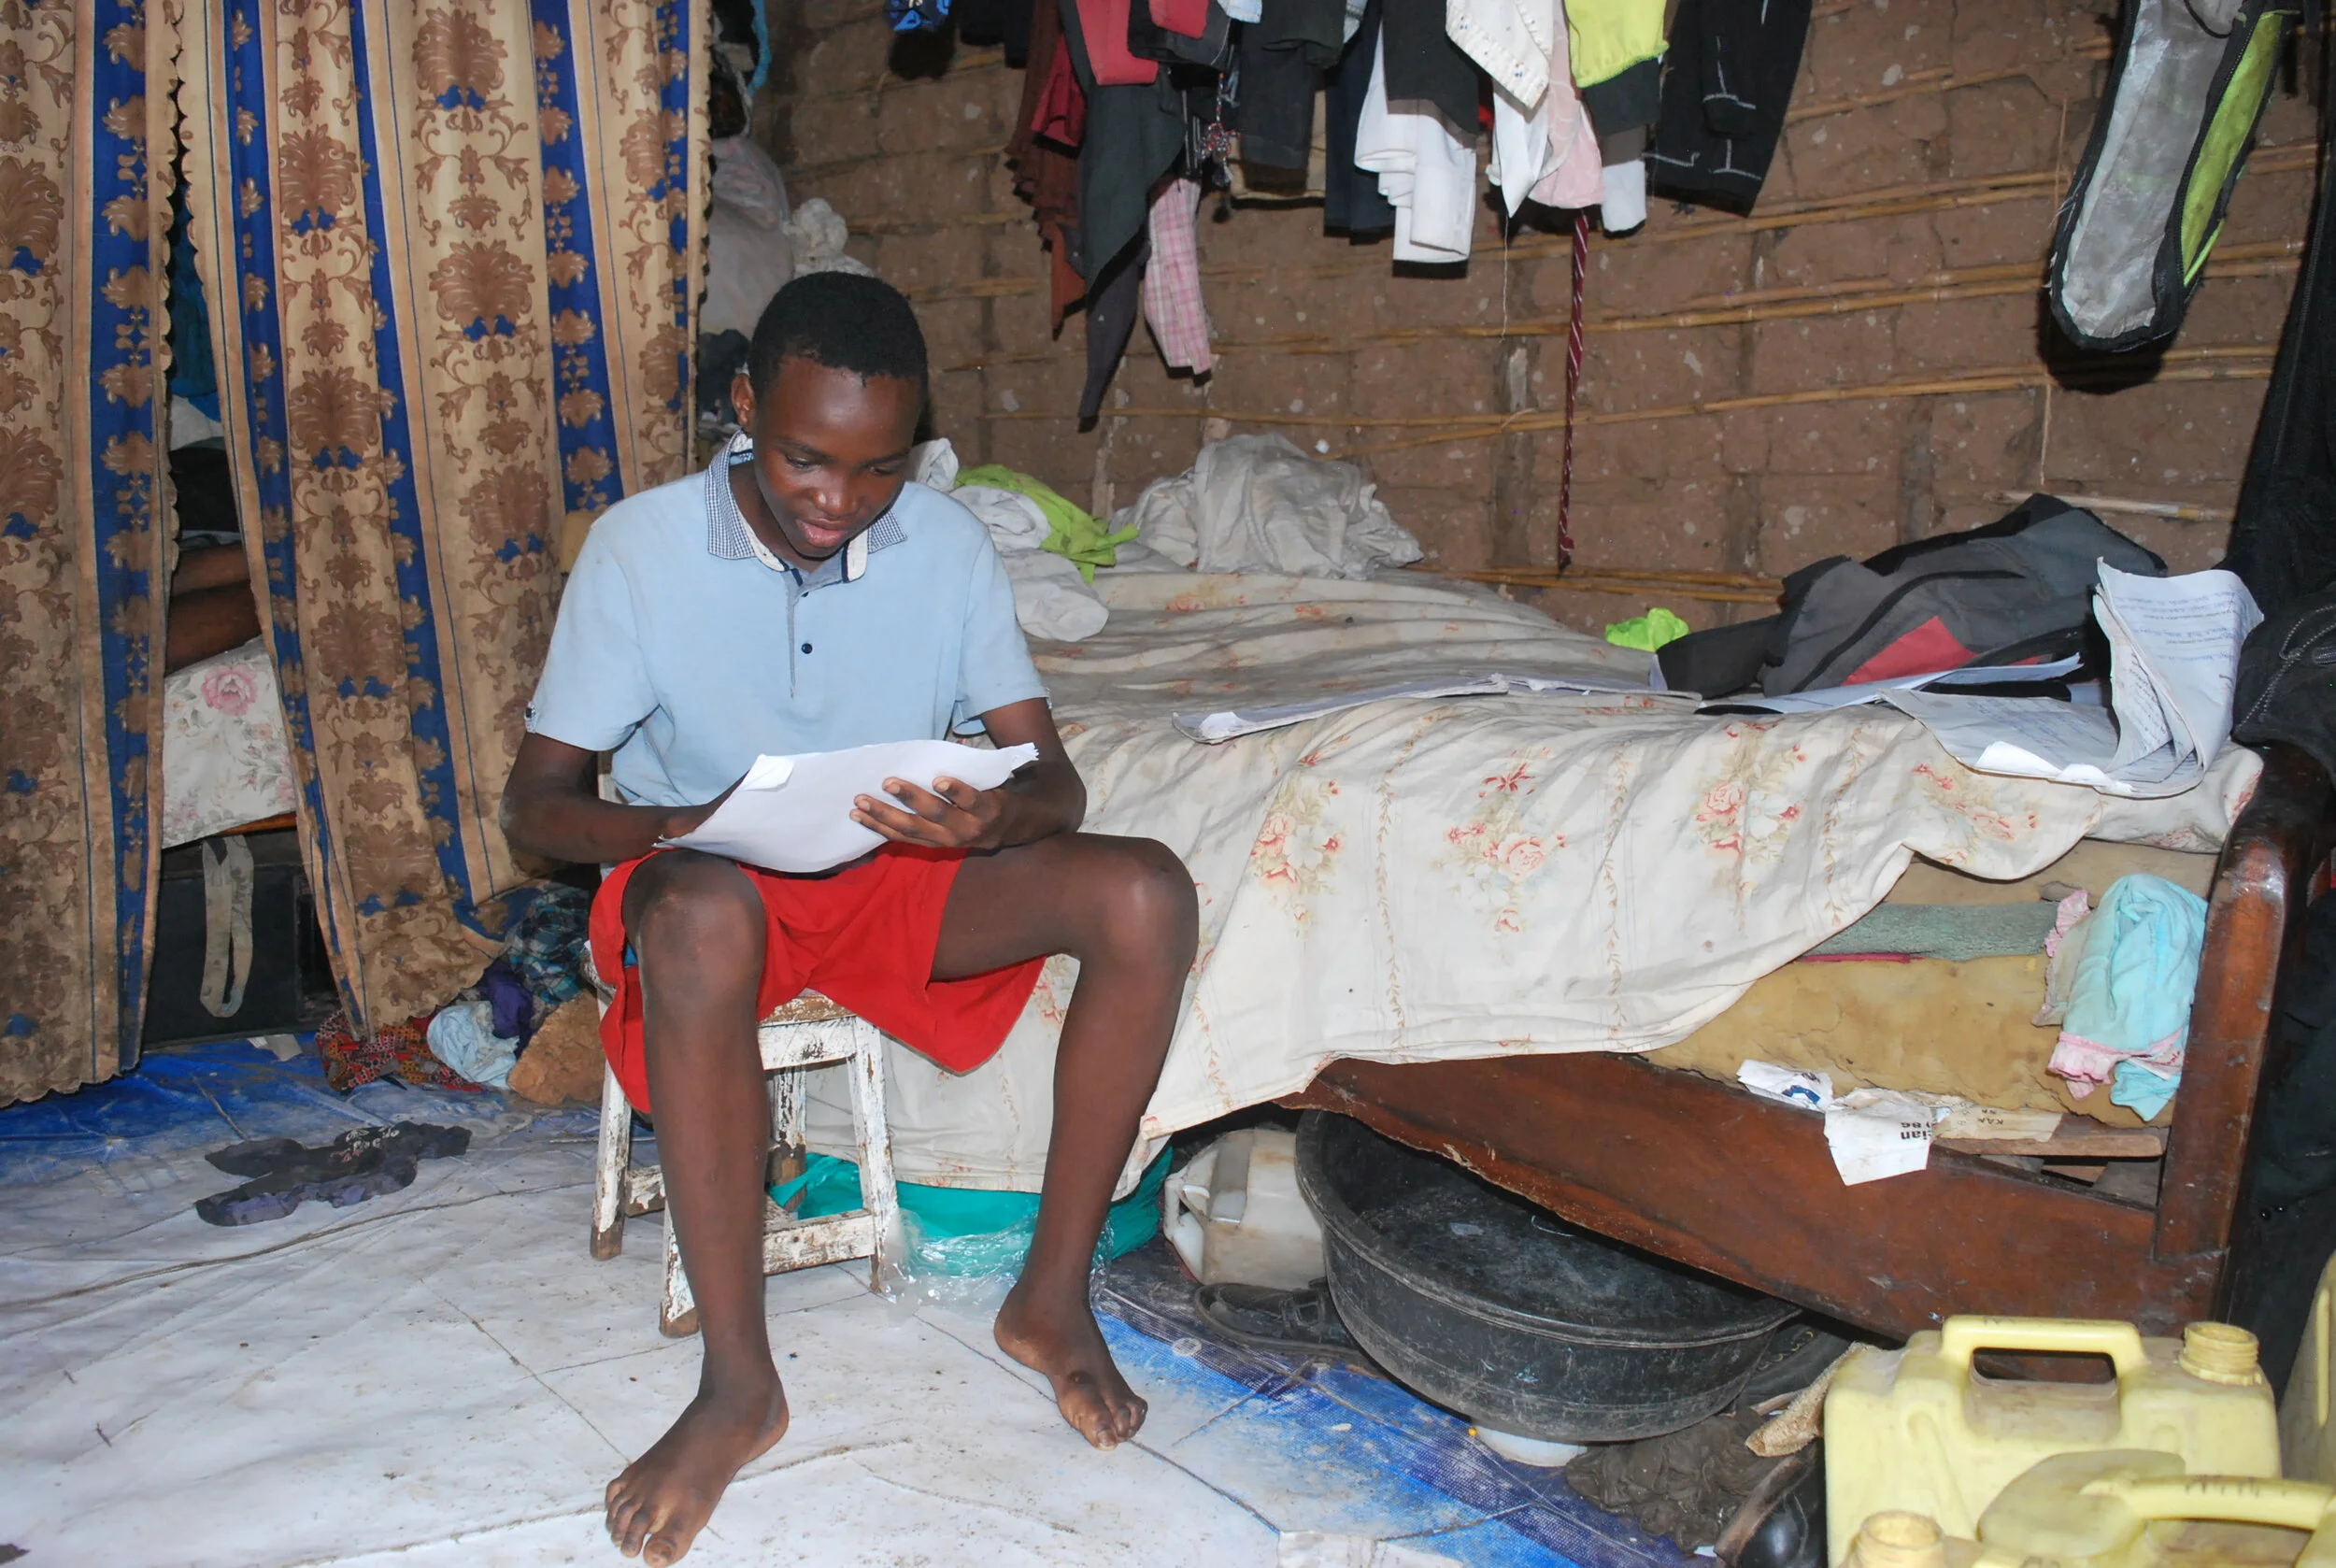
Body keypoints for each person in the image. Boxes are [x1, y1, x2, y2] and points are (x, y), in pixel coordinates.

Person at [501, 271, 1197, 1567]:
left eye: (879, 469)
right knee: (703, 916)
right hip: (703, 878)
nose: (840, 499)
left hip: (884, 870)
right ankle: (738, 1385)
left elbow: (1056, 782)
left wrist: (995, 819)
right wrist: (684, 820)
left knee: (1146, 890)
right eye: (806, 459)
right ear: (745, 406)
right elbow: (536, 805)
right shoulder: (640, 550)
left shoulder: (947, 547)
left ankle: (1049, 1299)